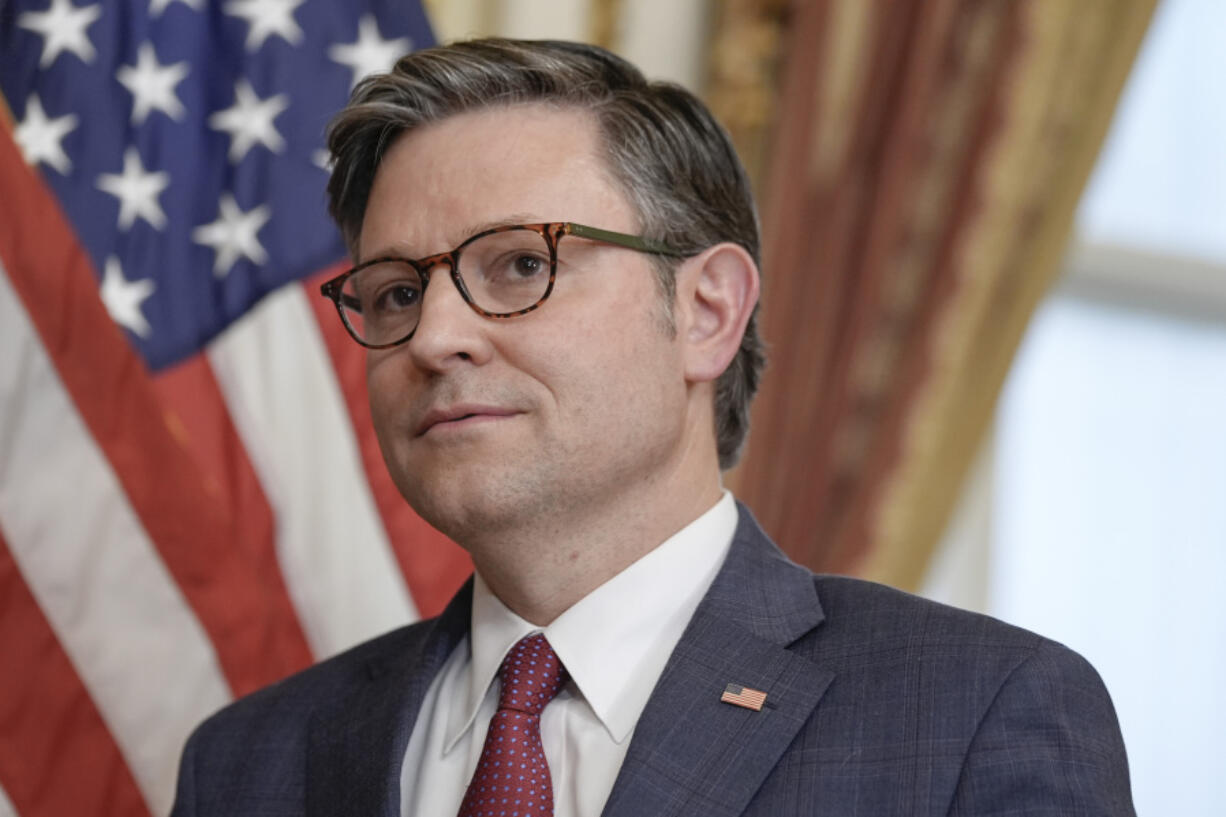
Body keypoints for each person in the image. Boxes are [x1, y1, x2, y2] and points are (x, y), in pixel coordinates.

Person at [170, 38, 1134, 816]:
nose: (435, 337)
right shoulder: (252, 765)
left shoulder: (975, 714)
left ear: (709, 310)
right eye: (395, 292)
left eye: (518, 265)